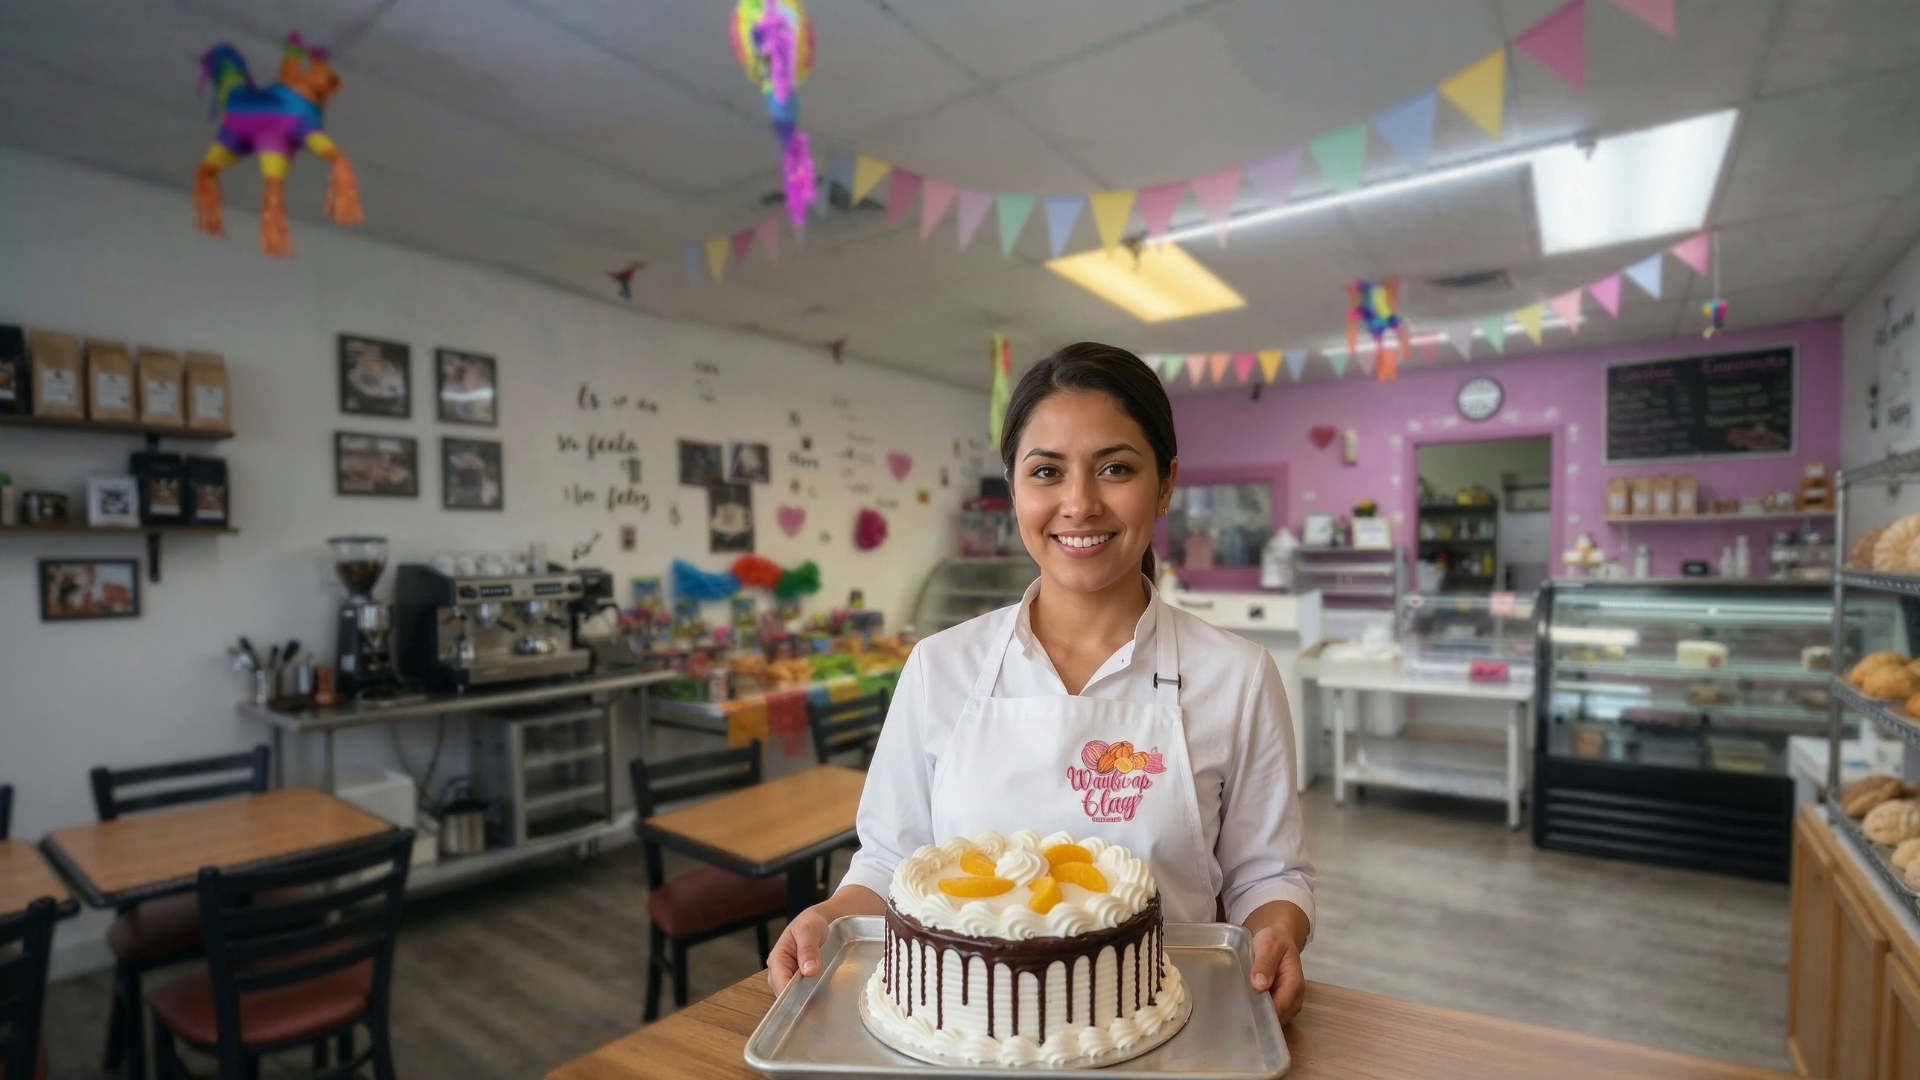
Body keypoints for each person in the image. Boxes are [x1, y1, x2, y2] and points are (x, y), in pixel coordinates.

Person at [768, 342, 1314, 1022]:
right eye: (1047, 472)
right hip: (969, 1026)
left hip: (1172, 1027)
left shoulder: (1237, 676)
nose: (1079, 503)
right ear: (1014, 488)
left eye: (1115, 468)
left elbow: (1269, 874)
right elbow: (888, 862)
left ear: (1165, 483)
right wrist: (826, 918)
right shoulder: (940, 667)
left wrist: (1276, 931)